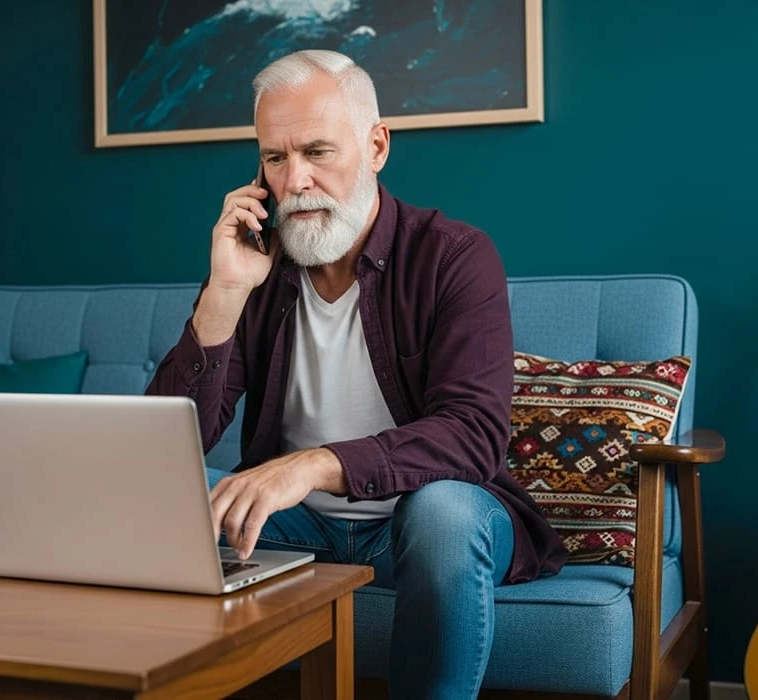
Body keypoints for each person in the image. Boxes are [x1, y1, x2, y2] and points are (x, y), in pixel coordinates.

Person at [146, 49, 567, 699]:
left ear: (375, 146)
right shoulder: (254, 263)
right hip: (298, 526)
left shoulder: (454, 256)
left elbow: (473, 435)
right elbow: (167, 446)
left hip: (421, 522)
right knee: (174, 503)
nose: (296, 182)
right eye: (276, 159)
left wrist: (310, 465)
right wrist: (224, 295)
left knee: (445, 514)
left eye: (318, 152)